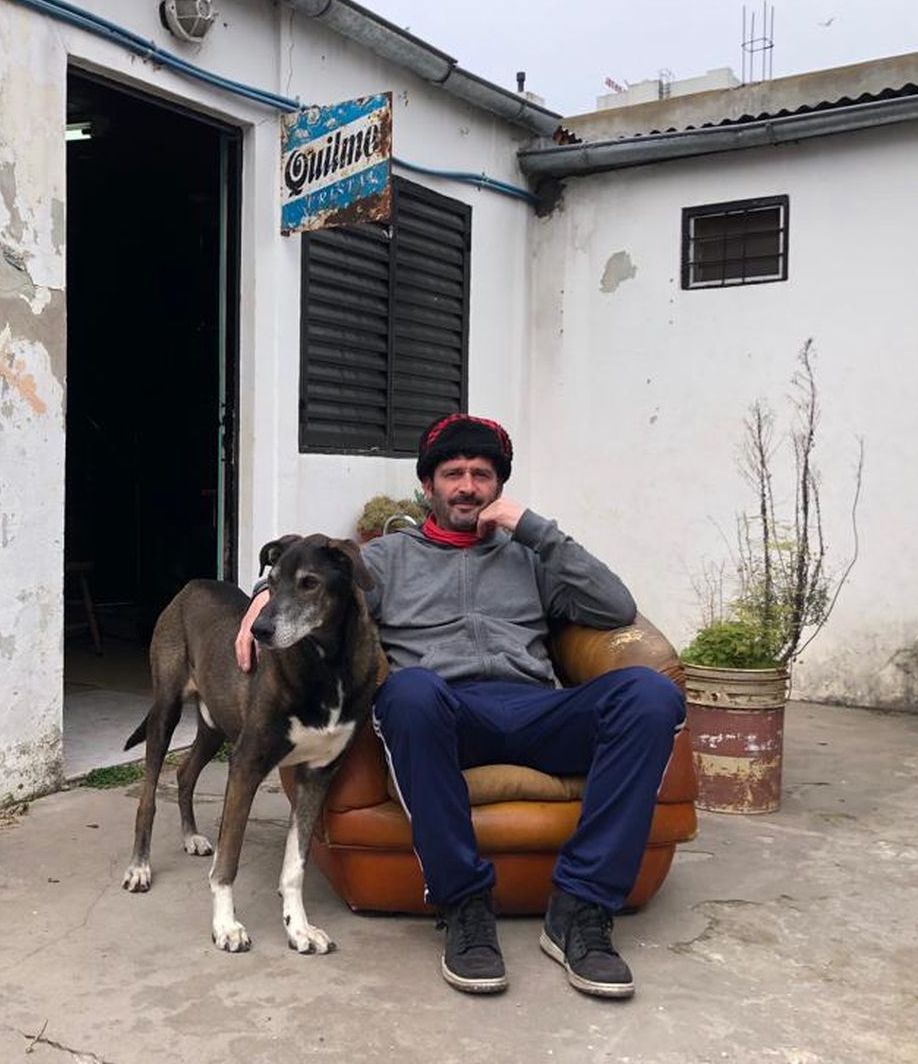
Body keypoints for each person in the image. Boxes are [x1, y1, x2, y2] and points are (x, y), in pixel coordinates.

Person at [235, 413, 684, 998]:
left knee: (652, 694)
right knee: (411, 691)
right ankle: (464, 905)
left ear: (498, 487)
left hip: (537, 709)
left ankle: (581, 908)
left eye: (482, 474)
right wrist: (261, 598)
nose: (467, 486)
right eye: (453, 473)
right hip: (444, 712)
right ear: (429, 486)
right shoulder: (390, 557)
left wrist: (537, 531)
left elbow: (616, 606)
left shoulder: (530, 557)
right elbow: (312, 576)